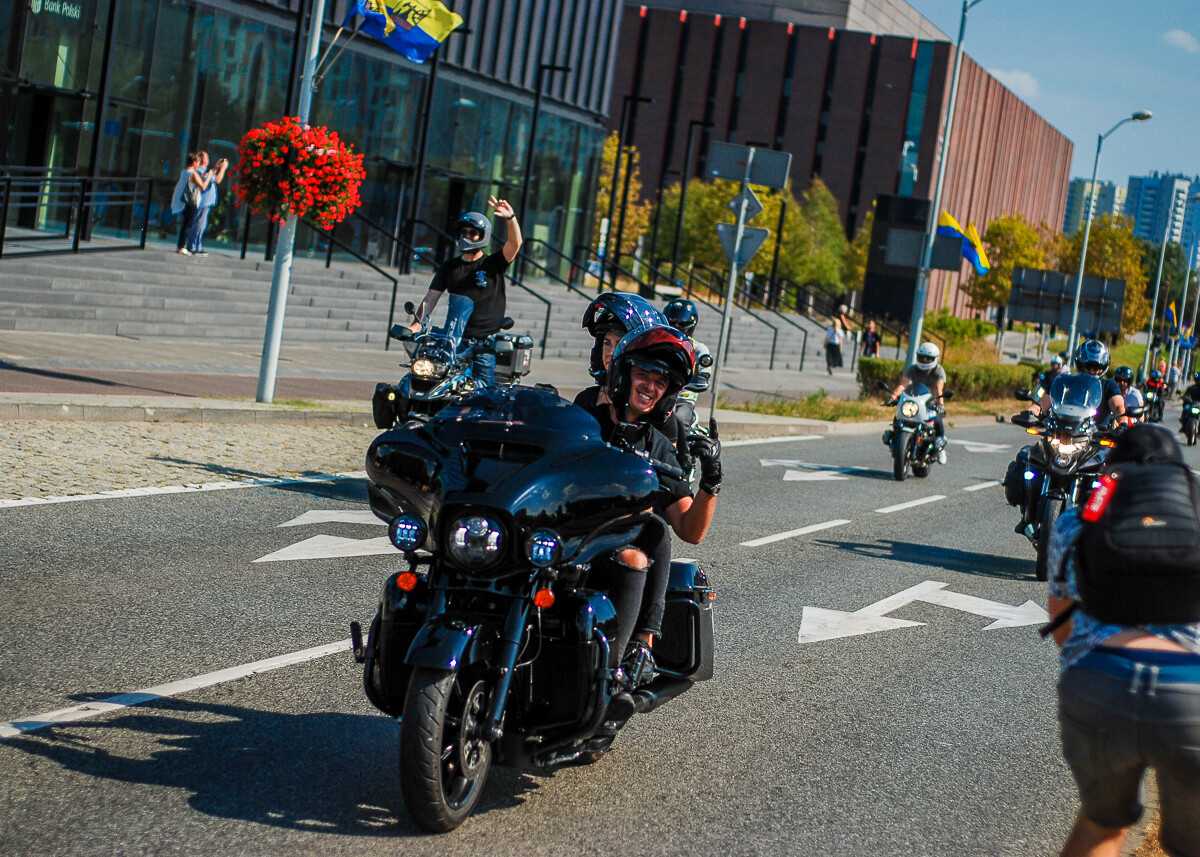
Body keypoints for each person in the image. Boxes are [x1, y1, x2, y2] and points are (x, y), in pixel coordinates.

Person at [1044, 424, 1200, 857]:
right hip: (1190, 691)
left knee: (1101, 826)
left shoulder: (1076, 521)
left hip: (1097, 682)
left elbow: (1062, 628)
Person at [577, 327, 721, 718]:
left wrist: (710, 481)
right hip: (561, 540)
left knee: (652, 532)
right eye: (643, 375)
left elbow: (690, 530)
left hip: (608, 553)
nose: (650, 387)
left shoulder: (658, 446)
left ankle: (631, 656)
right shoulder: (584, 420)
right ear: (623, 374)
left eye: (660, 382)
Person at [407, 198, 522, 387]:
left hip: (483, 343)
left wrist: (511, 218)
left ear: (483, 236)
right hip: (454, 341)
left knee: (482, 391)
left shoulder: (493, 264)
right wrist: (416, 325)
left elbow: (515, 244)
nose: (466, 236)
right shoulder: (450, 267)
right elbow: (431, 297)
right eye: (463, 232)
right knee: (434, 382)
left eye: (472, 233)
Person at [1004, 340, 1126, 516]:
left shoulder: (1108, 385)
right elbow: (1047, 399)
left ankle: (1097, 520)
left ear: (1103, 367)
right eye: (1088, 366)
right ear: (1079, 363)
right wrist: (1033, 411)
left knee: (1109, 474)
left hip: (1093, 440)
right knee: (1029, 459)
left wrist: (1122, 423)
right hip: (1061, 432)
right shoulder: (1066, 381)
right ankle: (1028, 511)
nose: (1092, 370)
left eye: (1096, 367)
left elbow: (1118, 406)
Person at [887, 341, 948, 464]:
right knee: (898, 418)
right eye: (922, 357)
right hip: (914, 399)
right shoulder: (913, 369)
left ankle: (940, 446)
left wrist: (940, 405)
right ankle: (896, 440)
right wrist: (892, 397)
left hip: (930, 401)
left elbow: (938, 389)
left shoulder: (938, 371)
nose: (924, 360)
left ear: (935, 359)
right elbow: (902, 385)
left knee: (938, 420)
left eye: (928, 358)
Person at [663, 297, 711, 430]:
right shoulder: (658, 343)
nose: (676, 326)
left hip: (683, 398)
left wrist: (702, 377)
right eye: (672, 322)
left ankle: (684, 443)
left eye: (681, 323)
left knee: (680, 419)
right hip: (659, 393)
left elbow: (705, 368)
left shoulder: (698, 348)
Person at [182, 152, 227, 256]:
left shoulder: (203, 171)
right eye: (207, 157)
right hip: (203, 203)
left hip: (205, 203)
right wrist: (223, 168)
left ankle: (197, 246)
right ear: (203, 160)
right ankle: (193, 247)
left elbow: (211, 176)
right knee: (199, 226)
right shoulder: (200, 171)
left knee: (201, 225)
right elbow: (217, 180)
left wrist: (216, 167)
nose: (208, 159)